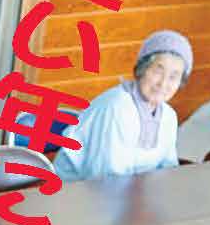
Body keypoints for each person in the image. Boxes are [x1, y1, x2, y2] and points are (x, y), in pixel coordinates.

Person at [55, 29, 193, 181]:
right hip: (76, 191)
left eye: (174, 76)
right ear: (142, 69)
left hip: (131, 190)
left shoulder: (169, 116)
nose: (163, 83)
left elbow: (168, 170)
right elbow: (104, 178)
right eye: (157, 71)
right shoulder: (116, 107)